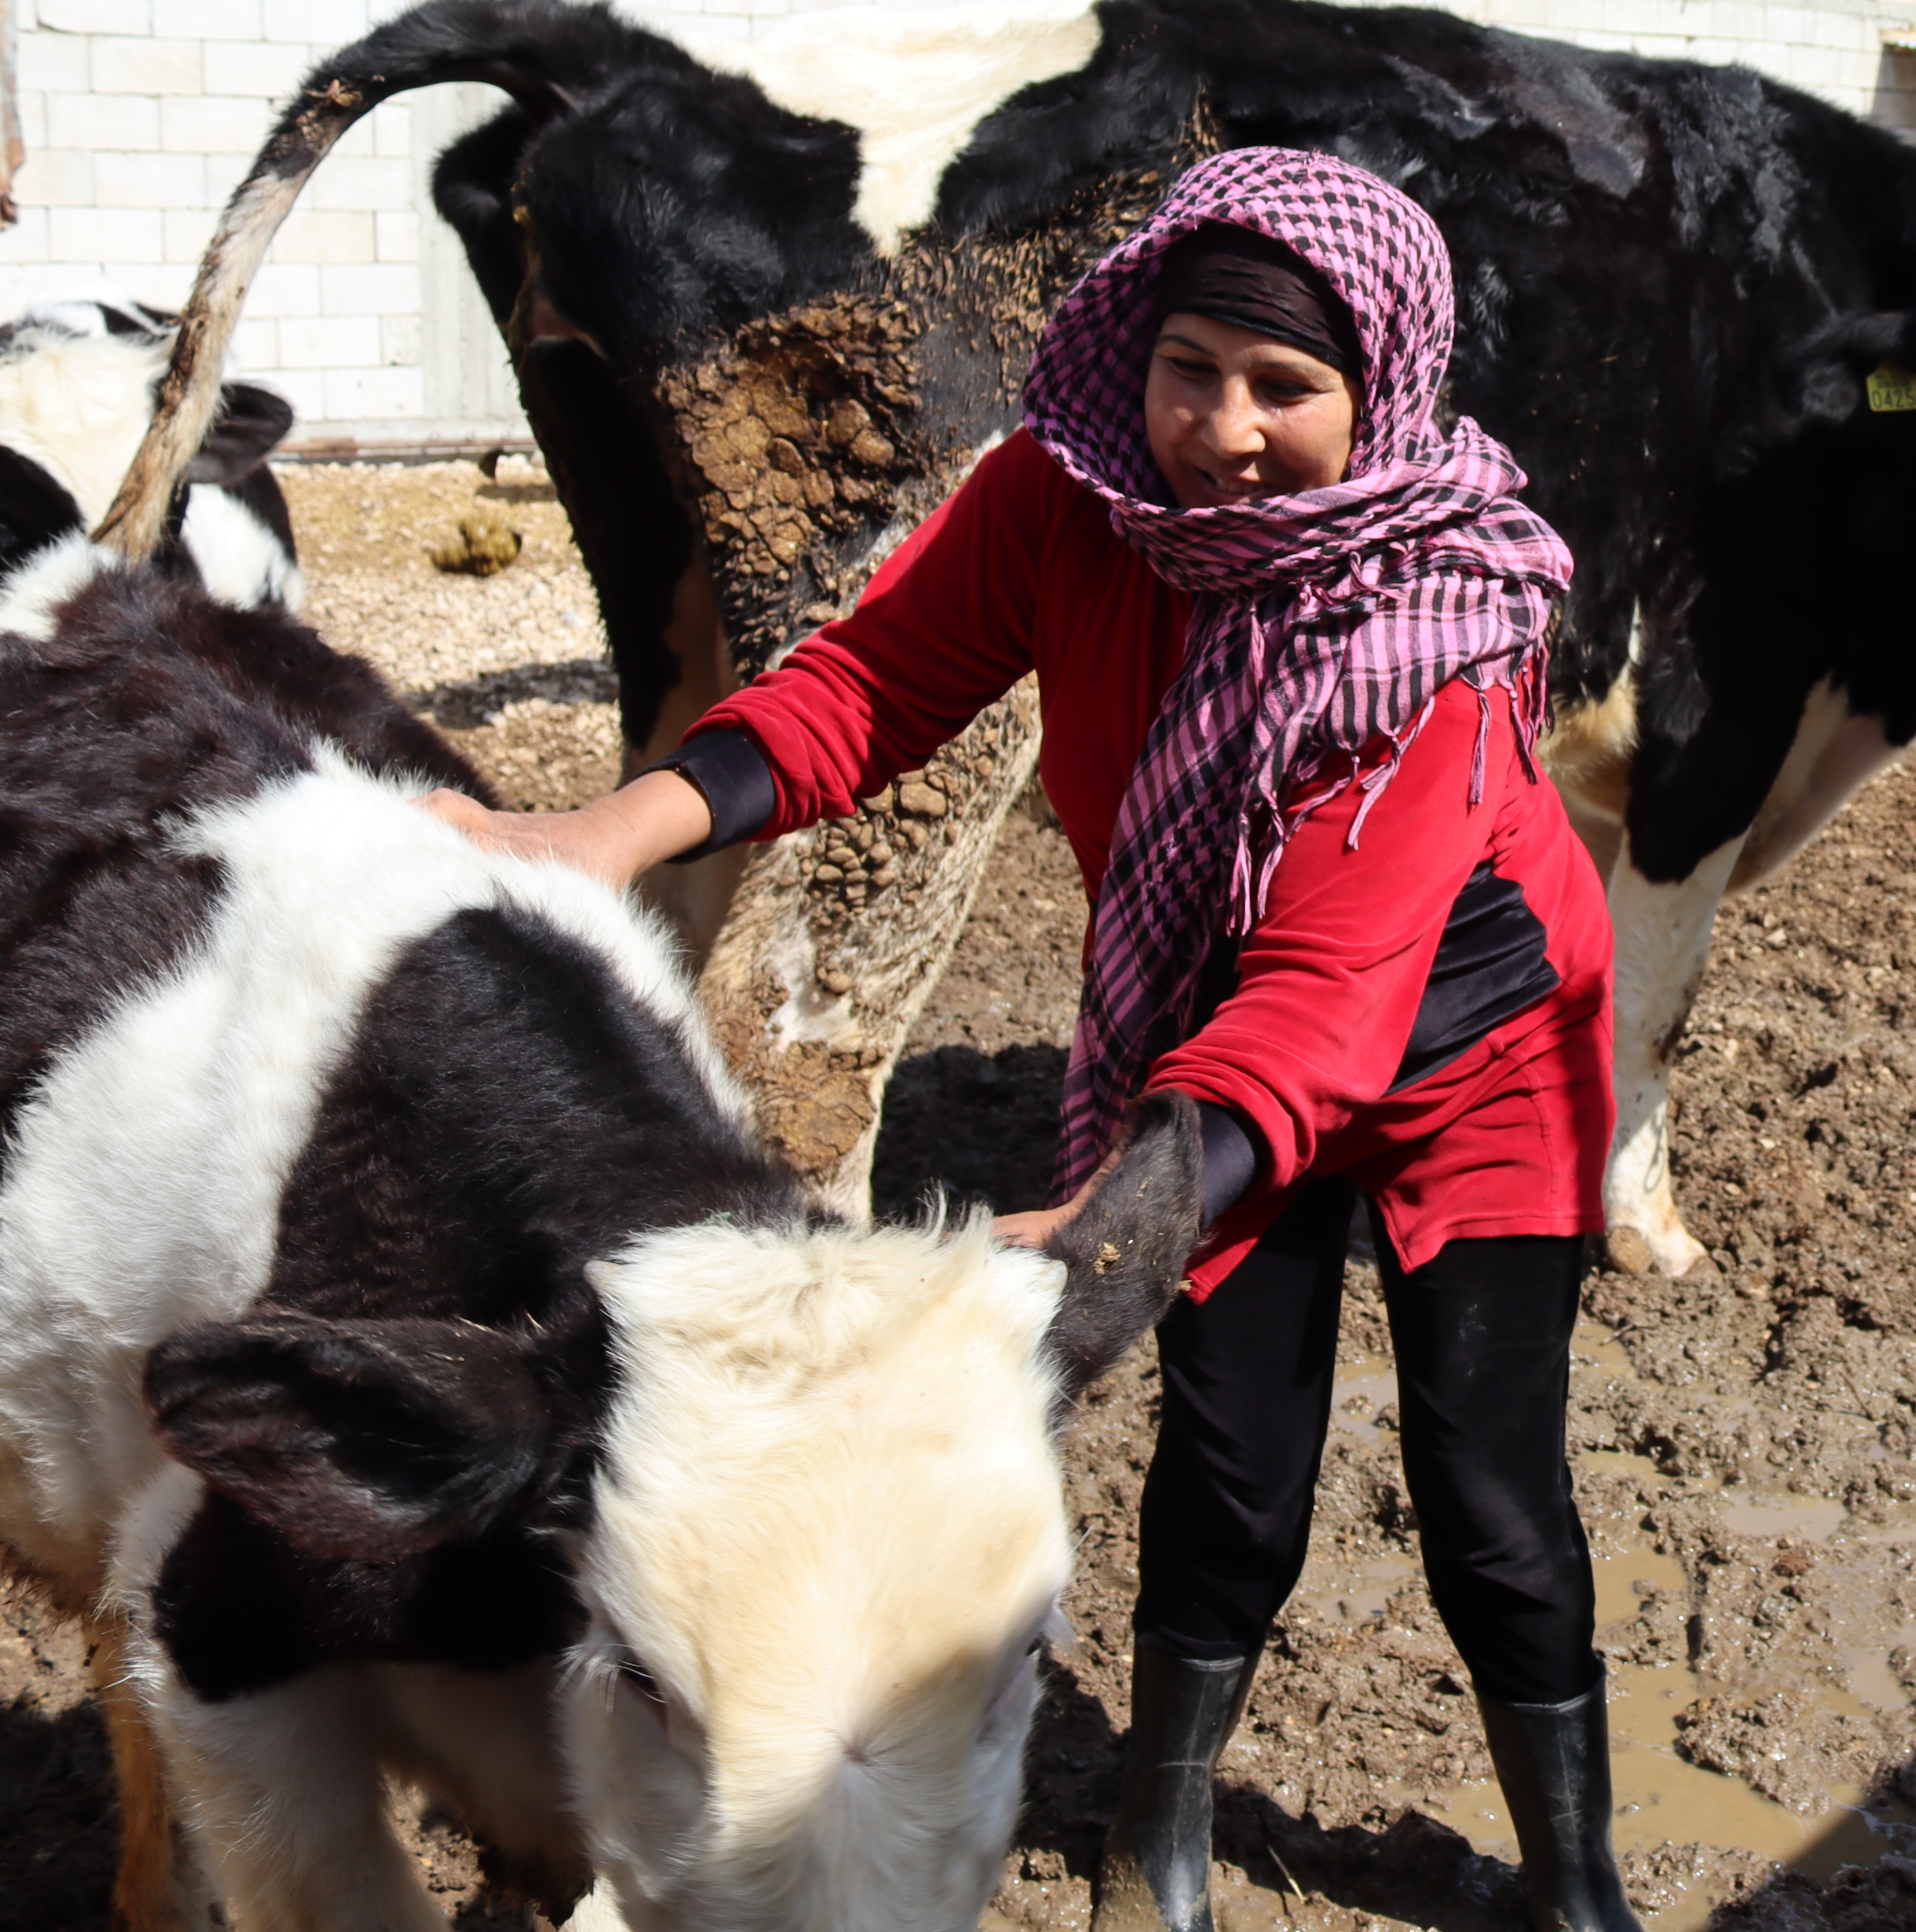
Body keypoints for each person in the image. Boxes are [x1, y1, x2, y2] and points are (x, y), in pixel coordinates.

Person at [429, 147, 1642, 1932]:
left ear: (1380, 393)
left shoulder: (1431, 635)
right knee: (1231, 1465)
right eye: (1188, 369)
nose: (1222, 432)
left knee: (1492, 1496)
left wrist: (1112, 1218)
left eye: (1285, 387)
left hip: (1475, 1052)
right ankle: (1160, 1839)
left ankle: (1576, 1881)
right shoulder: (1069, 503)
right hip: (1222, 1041)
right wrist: (600, 837)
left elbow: (1325, 1001)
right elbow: (870, 683)